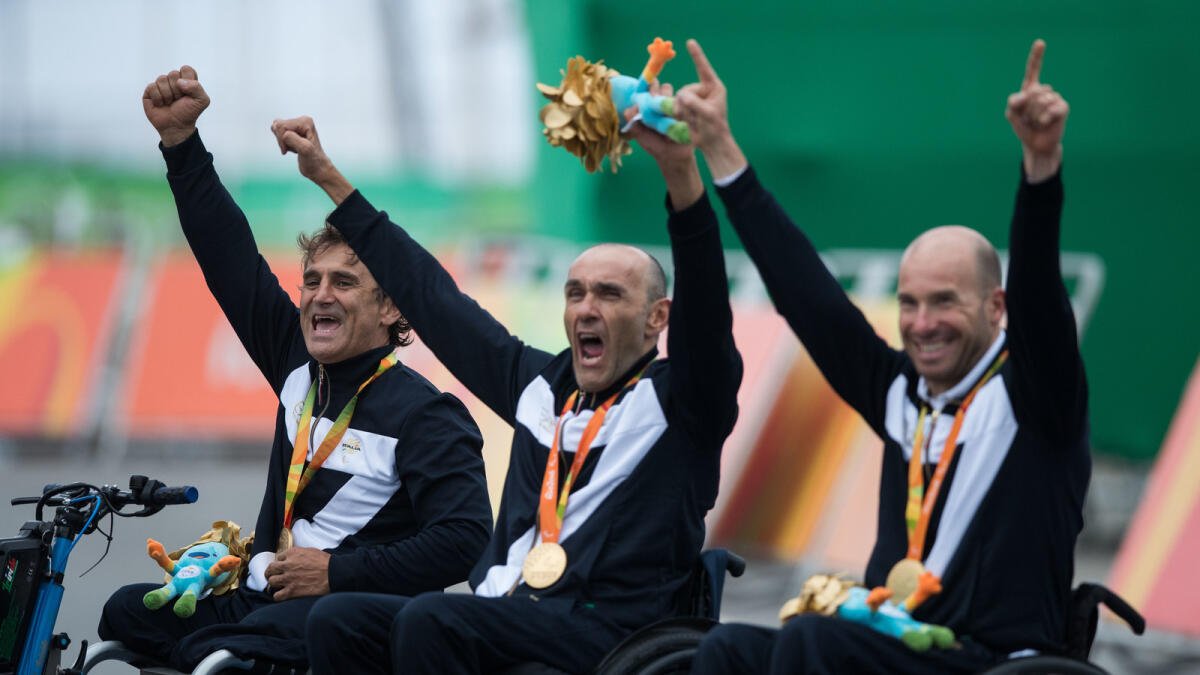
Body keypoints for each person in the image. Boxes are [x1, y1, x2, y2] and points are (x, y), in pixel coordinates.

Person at [265, 74, 742, 674]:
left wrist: (681, 174)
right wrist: (331, 180)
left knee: (430, 619)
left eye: (610, 294)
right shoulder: (542, 387)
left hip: (610, 632)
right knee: (341, 618)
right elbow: (434, 299)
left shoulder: (685, 401)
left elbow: (708, 317)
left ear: (656, 318)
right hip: (510, 609)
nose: (587, 307)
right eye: (575, 293)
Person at [680, 37, 1087, 673]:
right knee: (729, 647)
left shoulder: (1038, 395)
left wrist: (1040, 169)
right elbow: (807, 297)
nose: (921, 325)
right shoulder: (902, 394)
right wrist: (719, 150)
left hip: (992, 660)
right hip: (893, 642)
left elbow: (1042, 299)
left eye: (944, 303)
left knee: (815, 641)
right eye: (909, 303)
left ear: (997, 309)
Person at [96, 67, 493, 672]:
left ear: (390, 309)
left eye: (343, 282)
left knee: (214, 651)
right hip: (261, 594)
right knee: (124, 612)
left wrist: (338, 571)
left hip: (347, 612)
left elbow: (466, 541)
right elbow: (229, 259)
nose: (319, 296)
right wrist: (182, 146)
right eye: (311, 280)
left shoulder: (428, 414)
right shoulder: (295, 363)